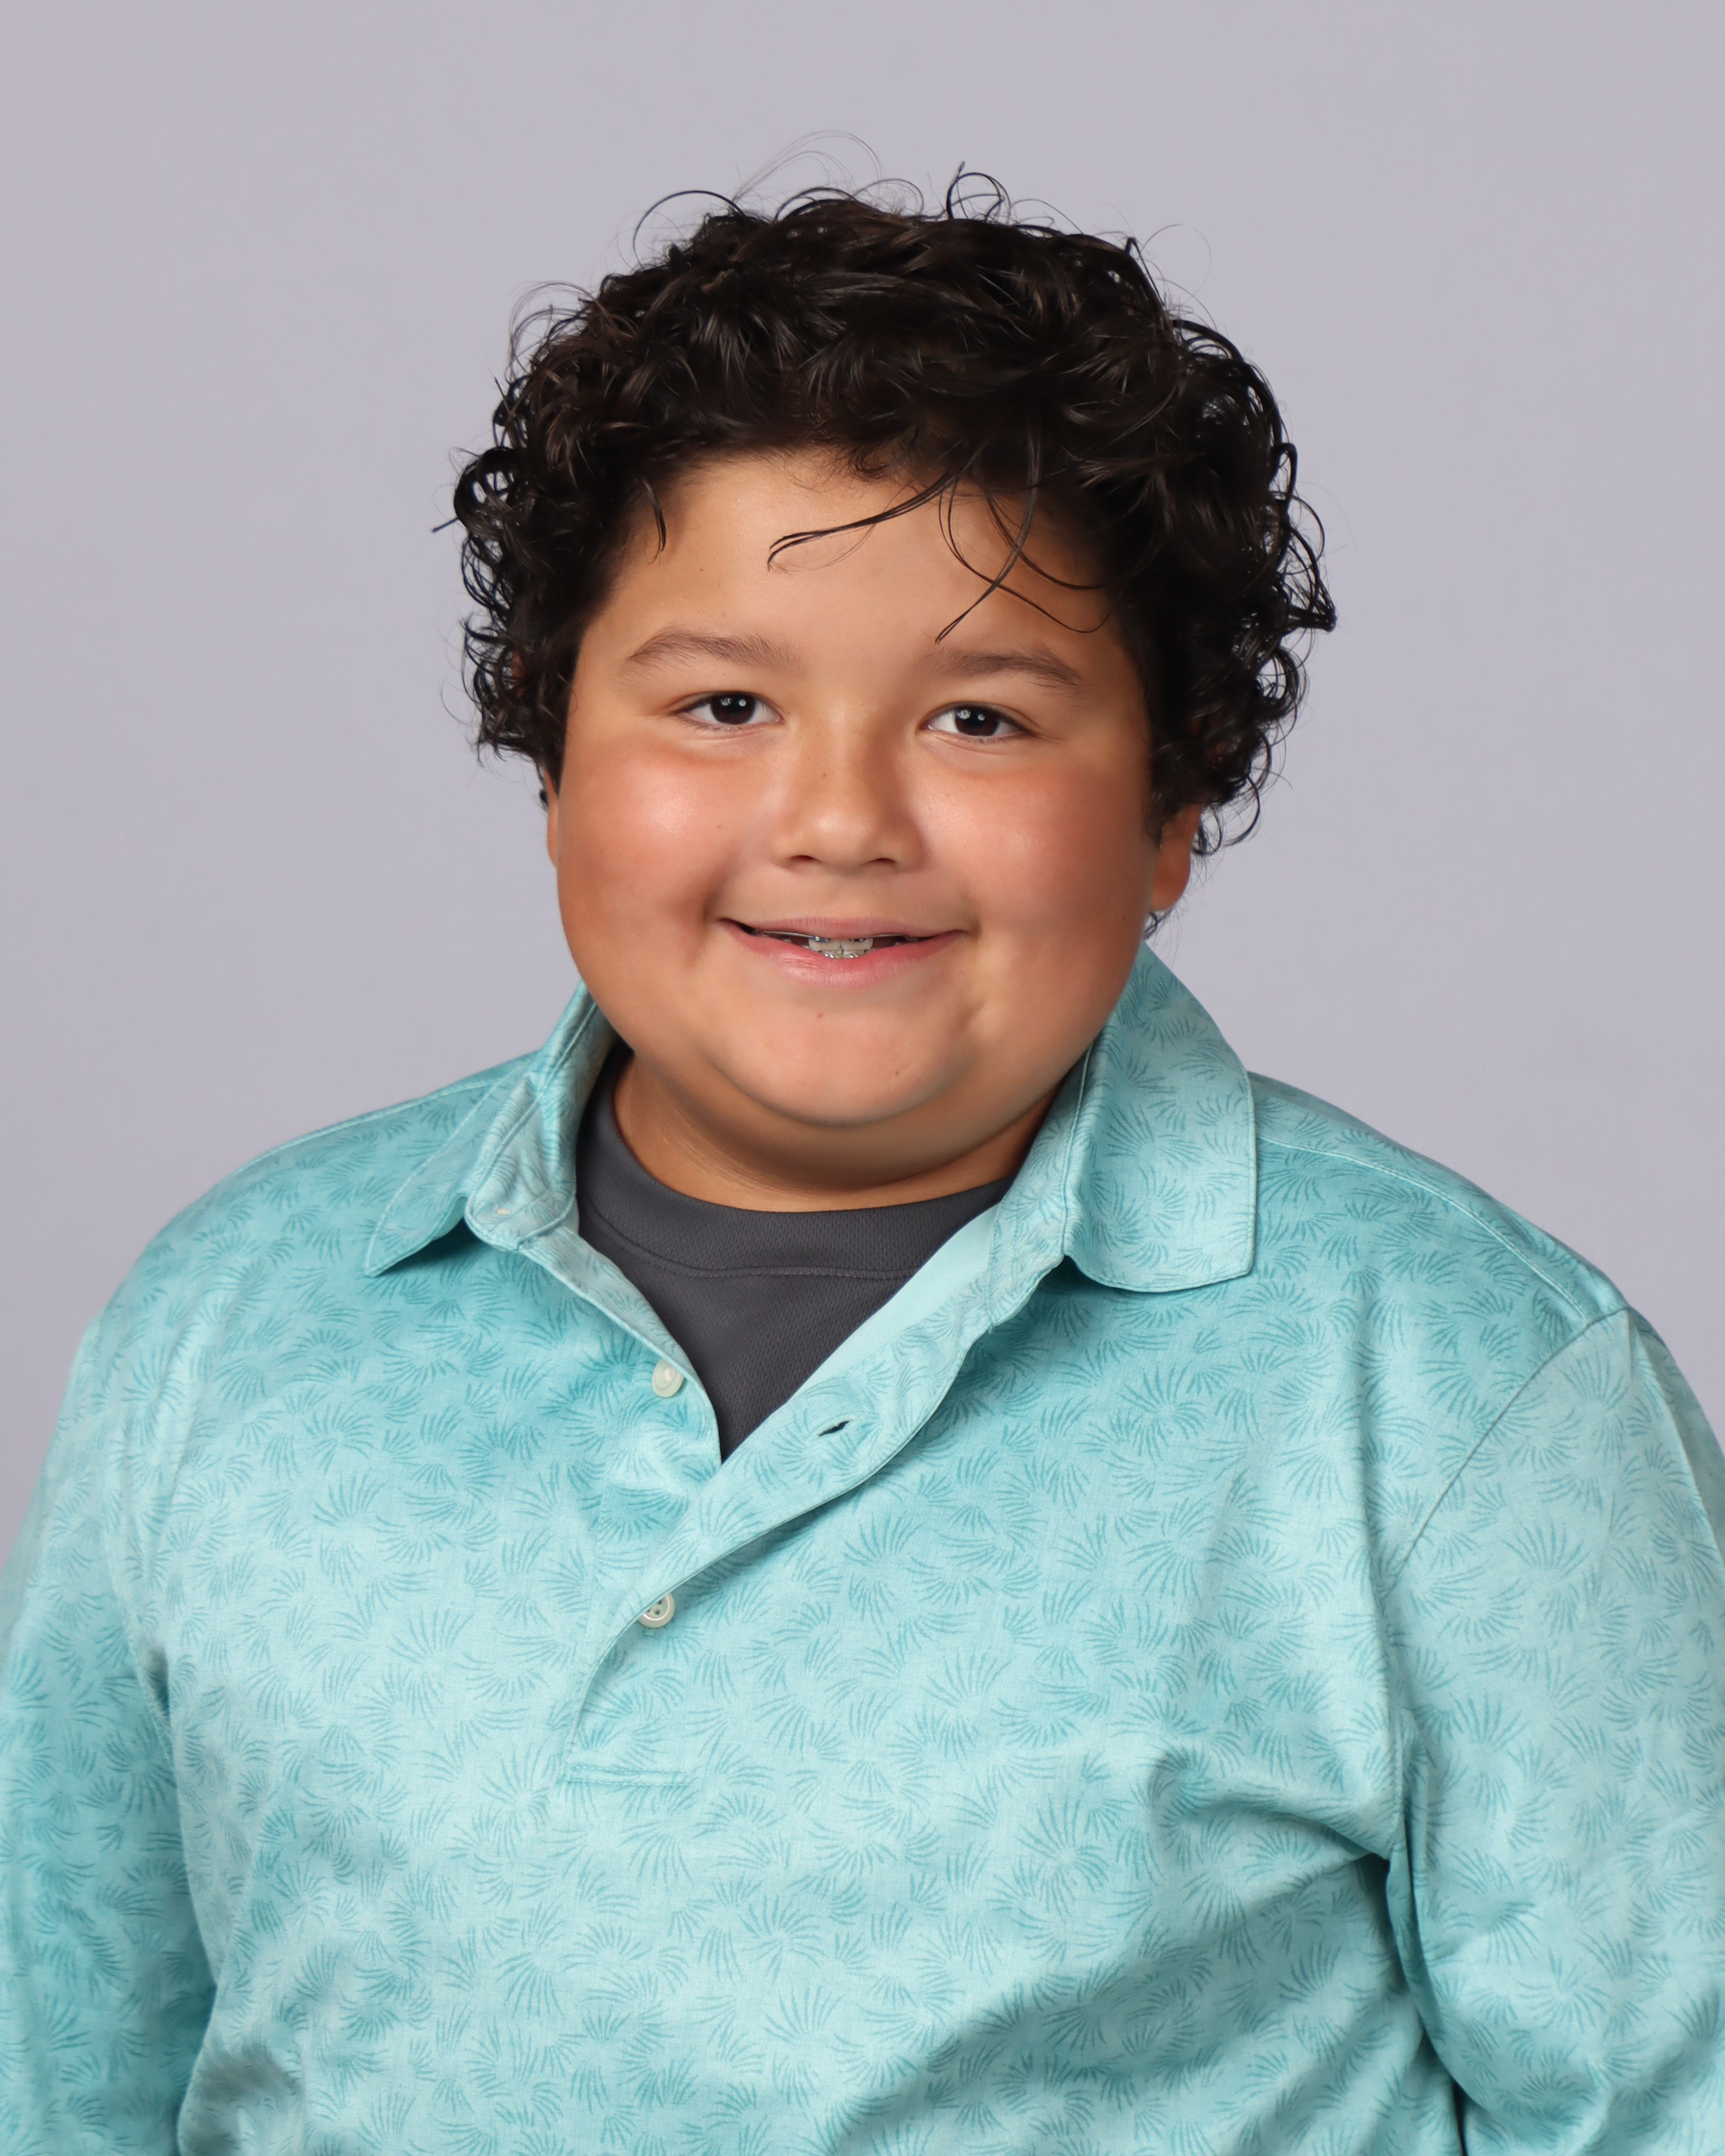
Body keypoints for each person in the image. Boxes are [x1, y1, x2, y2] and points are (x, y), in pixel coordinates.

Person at [2, 182, 1721, 2154]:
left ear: (1170, 806)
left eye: (979, 716)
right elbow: (61, 2072)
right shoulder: (234, 1324)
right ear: (553, 758)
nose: (837, 818)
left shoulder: (1454, 1385)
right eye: (722, 705)